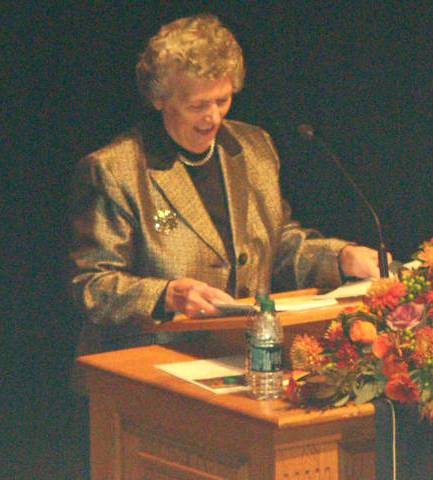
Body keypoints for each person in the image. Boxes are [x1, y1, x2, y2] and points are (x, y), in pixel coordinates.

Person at [68, 13, 387, 360]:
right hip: (149, 368)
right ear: (160, 99)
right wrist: (168, 295)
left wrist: (339, 258)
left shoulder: (253, 148)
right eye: (197, 106)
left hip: (244, 356)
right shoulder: (116, 170)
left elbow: (278, 245)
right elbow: (92, 285)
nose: (213, 118)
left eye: (222, 100)